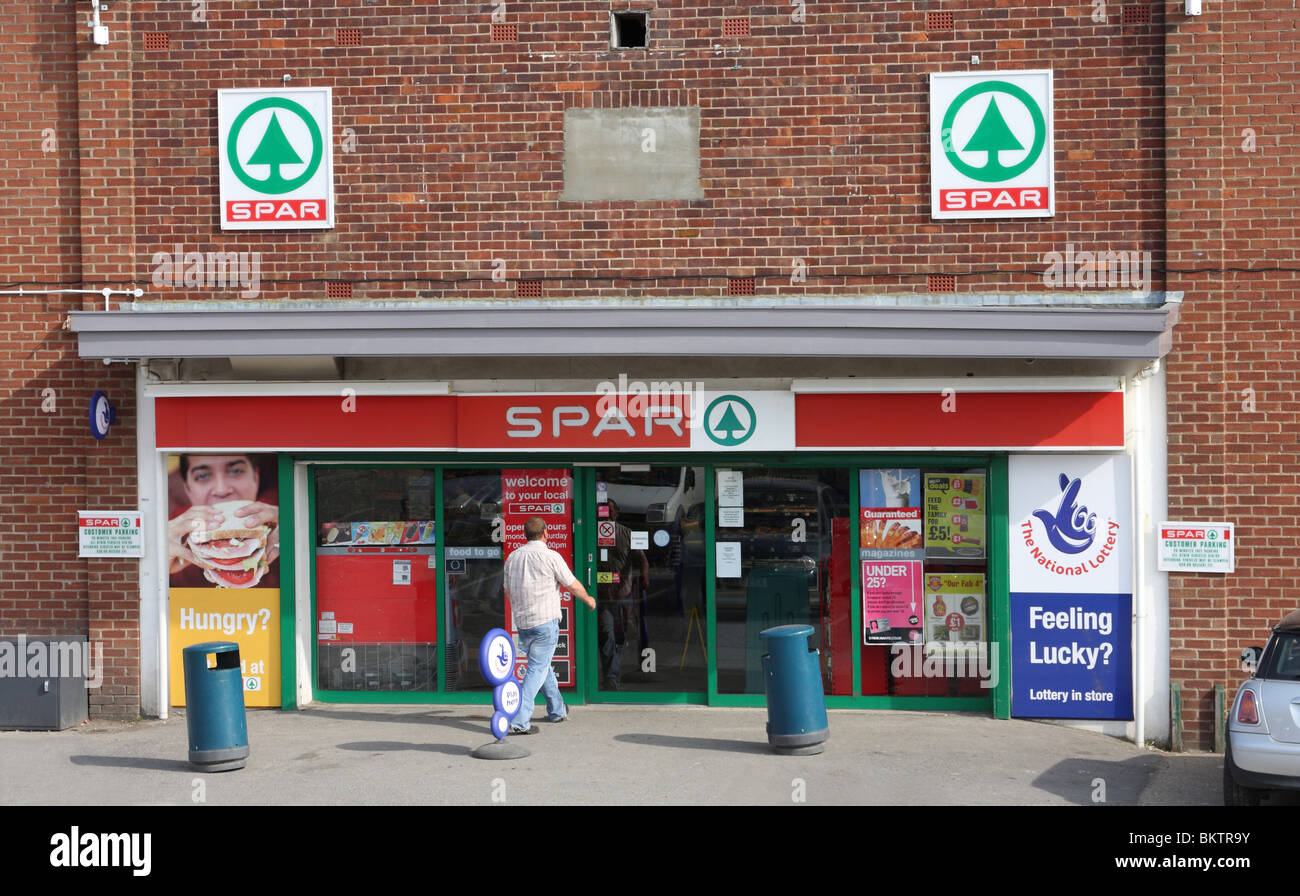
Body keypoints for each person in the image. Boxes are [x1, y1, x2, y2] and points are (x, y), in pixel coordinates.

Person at [502, 516, 595, 734]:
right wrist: (589, 599)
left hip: (523, 623)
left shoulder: (513, 557)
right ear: (546, 533)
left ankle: (557, 710)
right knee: (537, 668)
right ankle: (520, 720)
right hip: (545, 623)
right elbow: (571, 584)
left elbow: (507, 591)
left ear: (525, 534)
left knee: (542, 666)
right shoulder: (550, 556)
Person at [167, 454, 280, 587]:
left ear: (256, 478)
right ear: (187, 489)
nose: (221, 490)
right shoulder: (175, 530)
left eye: (235, 471)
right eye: (203, 476)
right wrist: (156, 567)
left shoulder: (279, 515)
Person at [597, 499, 649, 690]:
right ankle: (611, 678)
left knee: (619, 637)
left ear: (617, 513)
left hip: (622, 595)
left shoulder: (627, 534)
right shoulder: (590, 533)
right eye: (603, 511)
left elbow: (643, 559)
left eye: (610, 510)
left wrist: (645, 577)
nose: (607, 514)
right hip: (601, 596)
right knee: (607, 635)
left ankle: (612, 675)